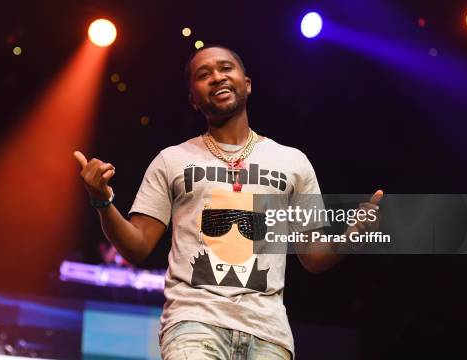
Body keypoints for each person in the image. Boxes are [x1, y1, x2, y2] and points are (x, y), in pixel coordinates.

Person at [74, 46, 383, 359]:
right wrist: (102, 200)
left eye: (225, 68)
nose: (217, 77)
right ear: (193, 99)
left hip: (268, 333)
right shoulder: (172, 160)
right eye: (203, 75)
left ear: (246, 83)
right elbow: (137, 245)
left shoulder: (292, 162)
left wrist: (352, 237)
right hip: (194, 324)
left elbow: (312, 256)